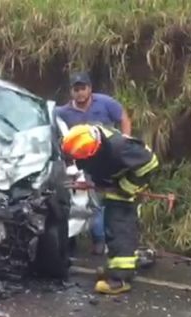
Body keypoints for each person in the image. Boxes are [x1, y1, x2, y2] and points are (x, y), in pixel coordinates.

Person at [60, 123, 159, 295]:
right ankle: (116, 267)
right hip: (111, 183)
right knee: (111, 226)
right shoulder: (84, 137)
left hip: (123, 186)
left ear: (96, 150)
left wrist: (125, 188)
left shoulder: (120, 148)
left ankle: (120, 279)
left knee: (119, 226)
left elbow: (150, 163)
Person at [55, 72, 132, 255]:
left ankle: (107, 238)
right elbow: (51, 120)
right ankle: (96, 240)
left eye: (83, 89)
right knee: (90, 200)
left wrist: (126, 140)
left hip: (108, 158)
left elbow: (123, 117)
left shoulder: (105, 103)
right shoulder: (63, 112)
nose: (80, 93)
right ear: (71, 92)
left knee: (108, 197)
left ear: (90, 89)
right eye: (76, 90)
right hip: (83, 163)